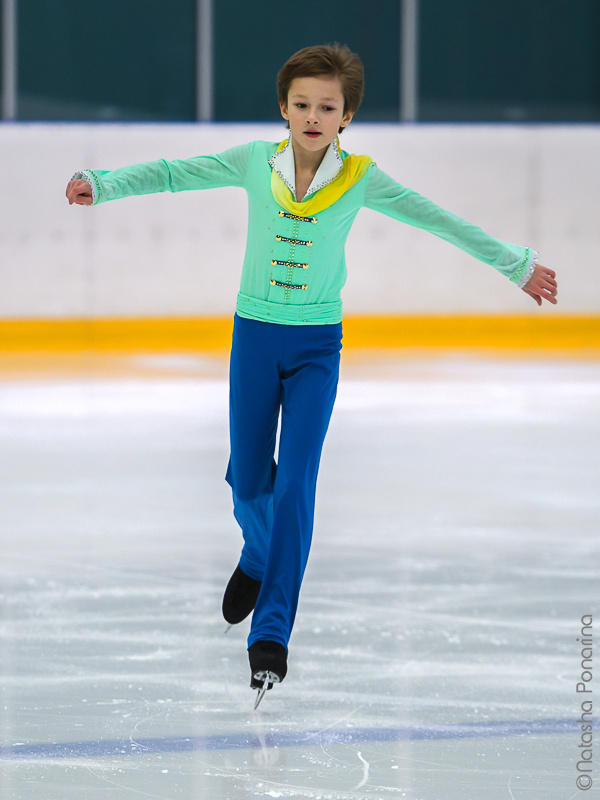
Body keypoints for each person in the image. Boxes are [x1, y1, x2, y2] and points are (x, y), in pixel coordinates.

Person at [66, 44, 558, 707]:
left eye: (328, 106)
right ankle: (258, 552)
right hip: (255, 338)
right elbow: (175, 173)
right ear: (284, 108)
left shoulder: (361, 177)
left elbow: (439, 220)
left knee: (296, 483)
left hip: (316, 348)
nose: (313, 116)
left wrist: (515, 264)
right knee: (247, 479)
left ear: (347, 115)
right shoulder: (251, 162)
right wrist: (103, 184)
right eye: (302, 104)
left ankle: (271, 631)